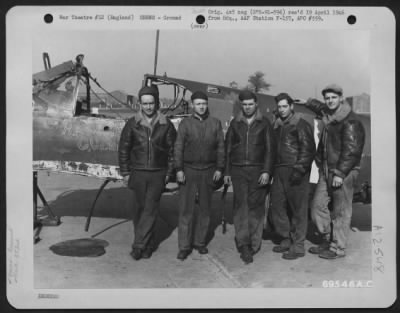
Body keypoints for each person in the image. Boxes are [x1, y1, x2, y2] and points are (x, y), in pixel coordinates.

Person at [295, 84, 365, 259]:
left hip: (343, 172)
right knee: (317, 207)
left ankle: (338, 248)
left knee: (341, 211)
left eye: (334, 97)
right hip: (326, 170)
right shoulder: (331, 116)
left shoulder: (350, 121)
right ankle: (328, 239)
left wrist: (340, 174)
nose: (330, 101)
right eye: (327, 98)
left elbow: (352, 151)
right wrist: (308, 102)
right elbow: (322, 107)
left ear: (341, 98)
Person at [118, 85, 177, 260]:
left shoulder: (166, 124)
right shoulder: (132, 124)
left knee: (150, 209)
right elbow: (124, 150)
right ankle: (148, 244)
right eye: (145, 103)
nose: (148, 107)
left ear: (157, 103)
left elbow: (173, 152)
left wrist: (168, 174)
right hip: (138, 173)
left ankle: (138, 246)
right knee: (139, 210)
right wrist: (126, 173)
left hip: (158, 173)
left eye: (151, 103)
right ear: (140, 104)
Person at [224, 90, 276, 264]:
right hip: (238, 171)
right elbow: (228, 148)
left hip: (257, 171)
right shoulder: (235, 124)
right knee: (240, 207)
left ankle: (254, 244)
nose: (247, 107)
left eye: (250, 104)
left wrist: (267, 171)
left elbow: (270, 150)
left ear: (256, 105)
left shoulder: (264, 123)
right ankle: (243, 243)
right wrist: (226, 172)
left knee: (256, 208)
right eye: (244, 105)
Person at [174, 91, 225, 261]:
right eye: (198, 104)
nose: (201, 107)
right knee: (185, 210)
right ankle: (184, 246)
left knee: (205, 210)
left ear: (207, 104)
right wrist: (179, 169)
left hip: (208, 171)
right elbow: (178, 147)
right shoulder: (185, 124)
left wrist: (219, 168)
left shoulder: (215, 123)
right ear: (192, 105)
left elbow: (220, 148)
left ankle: (200, 242)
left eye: (204, 103)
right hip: (188, 170)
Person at [269, 93, 315, 260]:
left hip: (296, 171)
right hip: (279, 171)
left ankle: (299, 245)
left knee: (298, 210)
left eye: (284, 106)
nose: (281, 110)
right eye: (279, 107)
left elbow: (308, 149)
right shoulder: (276, 126)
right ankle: (286, 237)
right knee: (278, 206)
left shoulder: (301, 124)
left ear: (291, 106)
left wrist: (299, 170)